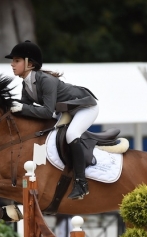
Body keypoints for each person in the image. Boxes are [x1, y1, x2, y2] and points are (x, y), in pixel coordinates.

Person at [6, 40, 98, 200]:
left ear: (29, 64)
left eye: (16, 60)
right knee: (47, 135)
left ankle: (81, 183)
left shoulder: (45, 81)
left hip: (84, 107)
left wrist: (21, 108)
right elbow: (25, 107)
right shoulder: (26, 84)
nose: (12, 64)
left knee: (72, 134)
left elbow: (47, 112)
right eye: (13, 61)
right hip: (66, 110)